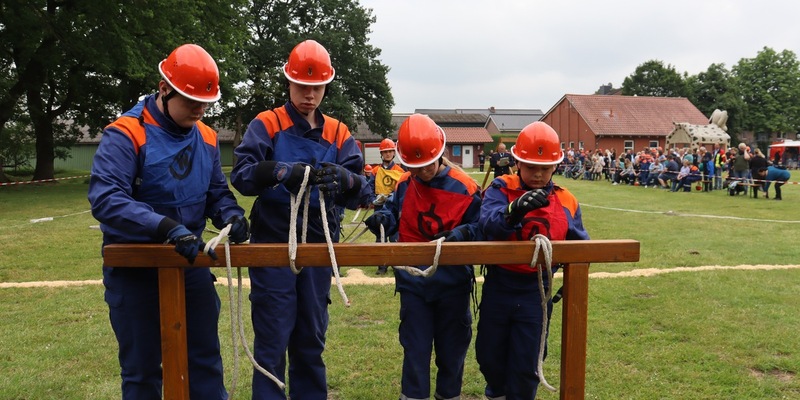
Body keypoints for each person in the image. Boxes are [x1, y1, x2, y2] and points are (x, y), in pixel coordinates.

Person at [88, 44, 249, 399]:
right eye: (191, 101)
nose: (200, 110)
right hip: (134, 268)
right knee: (142, 371)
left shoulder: (206, 136)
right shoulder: (127, 134)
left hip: (189, 263)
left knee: (205, 361)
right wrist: (165, 228)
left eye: (205, 103)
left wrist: (232, 214)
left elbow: (216, 193)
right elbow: (107, 199)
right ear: (164, 89)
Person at [230, 39, 370, 399]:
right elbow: (242, 176)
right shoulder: (267, 124)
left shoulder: (339, 133)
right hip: (274, 243)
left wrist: (347, 179)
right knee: (272, 341)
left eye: (316, 87)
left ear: (325, 87)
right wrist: (279, 172)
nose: (309, 95)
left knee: (310, 339)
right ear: (289, 83)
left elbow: (364, 192)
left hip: (320, 244)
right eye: (302, 87)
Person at [364, 114, 480, 400]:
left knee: (452, 353)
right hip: (414, 285)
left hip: (452, 285)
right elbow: (394, 214)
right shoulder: (404, 184)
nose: (423, 171)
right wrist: (382, 220)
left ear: (439, 154)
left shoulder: (466, 188)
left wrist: (465, 233)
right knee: (415, 351)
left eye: (427, 164)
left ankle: (448, 396)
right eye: (416, 166)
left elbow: (483, 226)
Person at [476, 121, 589, 399]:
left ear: (555, 167)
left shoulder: (567, 200)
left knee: (528, 361)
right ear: (517, 162)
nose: (538, 174)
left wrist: (573, 277)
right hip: (500, 283)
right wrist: (512, 212)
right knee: (489, 353)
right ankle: (496, 393)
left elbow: (582, 246)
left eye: (544, 168)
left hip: (536, 292)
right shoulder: (501, 188)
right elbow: (485, 224)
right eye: (530, 166)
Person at [372, 138, 405, 275]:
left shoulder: (399, 170)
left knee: (394, 237)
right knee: (380, 238)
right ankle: (382, 266)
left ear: (394, 153)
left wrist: (392, 197)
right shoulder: (375, 171)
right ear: (381, 153)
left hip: (393, 209)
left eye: (390, 151)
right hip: (379, 208)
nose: (388, 154)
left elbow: (403, 189)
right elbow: (368, 188)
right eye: (385, 152)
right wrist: (373, 199)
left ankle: (396, 264)